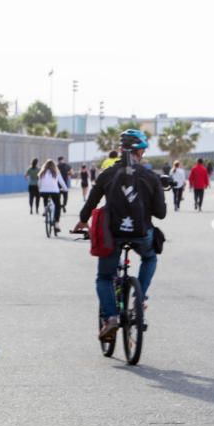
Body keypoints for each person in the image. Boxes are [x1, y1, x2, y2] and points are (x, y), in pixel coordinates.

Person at [75, 130, 166, 341]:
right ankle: (140, 296)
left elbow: (92, 202)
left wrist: (82, 221)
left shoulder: (107, 174)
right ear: (140, 151)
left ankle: (111, 317)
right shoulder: (150, 176)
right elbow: (161, 213)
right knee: (150, 257)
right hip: (141, 233)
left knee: (105, 277)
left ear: (121, 150)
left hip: (112, 235)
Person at [38, 159, 68, 228]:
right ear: (54, 165)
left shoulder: (42, 172)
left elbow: (39, 183)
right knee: (58, 206)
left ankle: (45, 208)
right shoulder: (56, 172)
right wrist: (65, 189)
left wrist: (40, 189)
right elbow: (62, 183)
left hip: (43, 192)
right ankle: (57, 223)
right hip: (54, 192)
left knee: (45, 196)